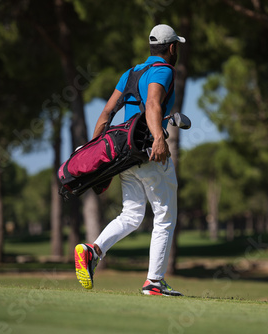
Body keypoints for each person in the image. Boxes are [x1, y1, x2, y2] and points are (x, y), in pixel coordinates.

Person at [74, 24, 186, 296]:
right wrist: (159, 138)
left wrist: (97, 153)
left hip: (125, 156)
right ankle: (154, 282)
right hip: (150, 152)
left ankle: (93, 250)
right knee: (164, 216)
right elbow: (152, 105)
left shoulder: (131, 73)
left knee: (132, 215)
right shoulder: (164, 70)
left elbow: (106, 113)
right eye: (177, 46)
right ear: (171, 48)